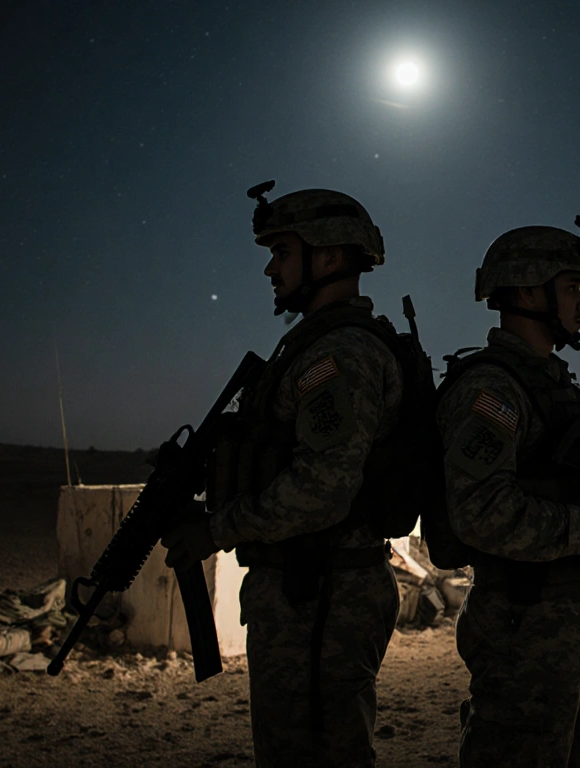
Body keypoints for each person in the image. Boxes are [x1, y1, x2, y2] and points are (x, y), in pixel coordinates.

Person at [162, 181, 402, 767]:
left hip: (322, 596)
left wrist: (217, 531)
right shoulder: (312, 347)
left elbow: (323, 488)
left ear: (328, 256)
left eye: (282, 253)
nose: (271, 269)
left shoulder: (336, 355)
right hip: (309, 589)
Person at [436, 218, 580, 766]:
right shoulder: (493, 391)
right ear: (529, 290)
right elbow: (479, 511)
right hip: (523, 630)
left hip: (576, 624)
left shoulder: (559, 389)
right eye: (572, 287)